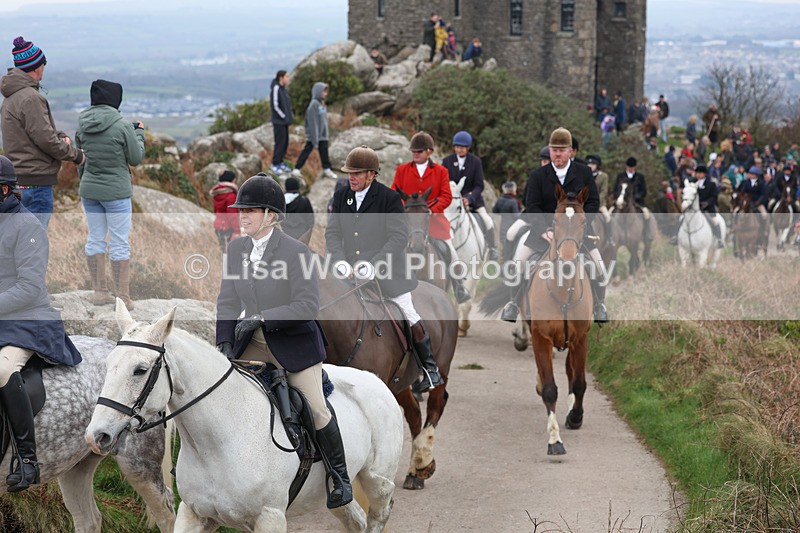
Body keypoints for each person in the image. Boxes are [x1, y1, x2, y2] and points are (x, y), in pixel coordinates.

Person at [215, 173, 352, 509]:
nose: (241, 215)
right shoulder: (236, 249)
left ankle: (339, 477)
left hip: (294, 344)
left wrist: (262, 318)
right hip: (252, 340)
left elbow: (307, 306)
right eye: (240, 210)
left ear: (271, 215)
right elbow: (228, 301)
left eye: (249, 210)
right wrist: (223, 343)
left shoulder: (297, 252)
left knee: (317, 409)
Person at [326, 145, 444, 392]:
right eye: (349, 173)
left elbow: (398, 237)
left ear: (372, 174)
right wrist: (339, 260)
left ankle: (430, 368)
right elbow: (333, 233)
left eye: (357, 173)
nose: (351, 177)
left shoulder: (389, 199)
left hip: (386, 270)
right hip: (346, 270)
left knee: (407, 309)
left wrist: (374, 264)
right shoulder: (341, 196)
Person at [0, 155, 82, 492]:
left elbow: (29, 288)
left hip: (26, 319)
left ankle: (27, 459)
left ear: (4, 189)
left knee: (3, 371)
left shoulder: (28, 227)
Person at [500, 127, 608, 323]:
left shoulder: (583, 172)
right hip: (544, 233)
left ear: (570, 151)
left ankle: (600, 305)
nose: (557, 154)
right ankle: (513, 304)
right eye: (554, 149)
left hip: (577, 233)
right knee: (517, 266)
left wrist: (582, 225)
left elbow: (593, 202)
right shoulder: (538, 175)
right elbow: (532, 206)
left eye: (561, 149)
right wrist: (544, 231)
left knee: (599, 267)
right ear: (550, 150)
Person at [1, 36, 85, 229]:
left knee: (17, 244)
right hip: (35, 183)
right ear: (36, 66)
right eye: (43, 63)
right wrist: (77, 155)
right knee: (33, 245)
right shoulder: (30, 98)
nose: (44, 68)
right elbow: (45, 139)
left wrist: (58, 135)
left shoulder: (11, 97)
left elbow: (33, 133)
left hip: (17, 180)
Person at [75, 79, 144, 309]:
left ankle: (99, 292)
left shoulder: (82, 124)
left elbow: (80, 161)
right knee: (119, 243)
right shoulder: (122, 125)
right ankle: (122, 298)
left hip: (90, 190)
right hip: (116, 193)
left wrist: (86, 182)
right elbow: (135, 158)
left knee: (95, 238)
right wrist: (140, 135)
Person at [391, 131, 471, 304]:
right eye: (413, 151)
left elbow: (446, 196)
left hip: (434, 222)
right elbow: (394, 194)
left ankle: (459, 287)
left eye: (419, 152)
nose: (415, 154)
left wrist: (432, 210)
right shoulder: (402, 170)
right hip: (408, 223)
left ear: (429, 152)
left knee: (451, 252)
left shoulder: (441, 172)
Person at [442, 130, 498, 260]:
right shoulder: (447, 161)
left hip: (472, 200)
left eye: (461, 148)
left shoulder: (476, 162)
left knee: (488, 221)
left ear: (467, 148)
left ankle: (492, 248)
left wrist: (469, 198)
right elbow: (443, 182)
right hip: (452, 201)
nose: (458, 150)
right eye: (456, 147)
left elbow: (479, 185)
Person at [670, 165, 724, 248]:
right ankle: (675, 236)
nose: (698, 175)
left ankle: (719, 239)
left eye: (700, 173)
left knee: (715, 221)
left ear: (704, 174)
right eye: (697, 173)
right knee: (681, 218)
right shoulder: (691, 182)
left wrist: (707, 203)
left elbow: (714, 197)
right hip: (693, 208)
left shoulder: (711, 184)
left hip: (707, 208)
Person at [292, 82, 337, 180]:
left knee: (324, 152)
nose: (325, 94)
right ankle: (297, 168)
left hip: (323, 135)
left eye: (326, 92)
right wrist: (315, 138)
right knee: (307, 150)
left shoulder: (322, 103)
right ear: (318, 92)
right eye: (324, 92)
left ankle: (327, 169)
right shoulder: (313, 105)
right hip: (315, 135)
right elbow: (313, 123)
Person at [611, 157, 654, 243]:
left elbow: (643, 191)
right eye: (629, 167)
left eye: (632, 167)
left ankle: (646, 234)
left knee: (647, 214)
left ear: (635, 167)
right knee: (610, 213)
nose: (630, 169)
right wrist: (619, 197)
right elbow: (615, 190)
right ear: (626, 166)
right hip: (621, 201)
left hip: (637, 202)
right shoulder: (620, 176)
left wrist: (636, 197)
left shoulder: (640, 177)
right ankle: (611, 236)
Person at [586, 154, 615, 247]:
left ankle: (609, 238)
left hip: (600, 204)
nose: (590, 166)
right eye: (589, 164)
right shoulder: (585, 175)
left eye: (593, 164)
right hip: (586, 203)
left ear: (597, 165)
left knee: (607, 218)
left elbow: (604, 191)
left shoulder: (604, 176)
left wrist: (596, 201)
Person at [270, 70, 294, 175]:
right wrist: (283, 116)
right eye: (286, 77)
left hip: (285, 122)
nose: (288, 79)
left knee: (285, 143)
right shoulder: (276, 88)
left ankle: (280, 162)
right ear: (281, 78)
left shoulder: (283, 89)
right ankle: (274, 164)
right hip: (279, 122)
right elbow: (275, 105)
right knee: (279, 143)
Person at [210, 170, 239, 253]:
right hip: (228, 228)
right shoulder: (231, 196)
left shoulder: (218, 194)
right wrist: (237, 230)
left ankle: (223, 264)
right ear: (233, 180)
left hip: (219, 226)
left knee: (224, 250)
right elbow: (232, 215)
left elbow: (216, 210)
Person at [493, 181, 521, 261]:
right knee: (512, 248)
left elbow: (495, 211)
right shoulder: (513, 201)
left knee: (504, 248)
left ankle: (503, 262)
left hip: (503, 227)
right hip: (512, 227)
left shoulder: (500, 199)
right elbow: (516, 216)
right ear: (513, 190)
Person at [283, 177, 314, 244]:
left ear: (286, 187)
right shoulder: (304, 201)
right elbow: (310, 221)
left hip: (283, 235)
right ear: (298, 187)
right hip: (300, 237)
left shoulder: (280, 200)